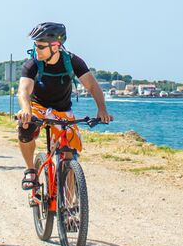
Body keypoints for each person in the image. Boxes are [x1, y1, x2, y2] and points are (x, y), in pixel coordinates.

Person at [16, 22, 112, 190]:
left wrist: (102, 109)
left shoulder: (73, 62)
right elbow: (23, 90)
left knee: (68, 154)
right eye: (35, 45)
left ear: (56, 46)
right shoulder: (32, 63)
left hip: (63, 111)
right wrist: (26, 110)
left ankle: (71, 207)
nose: (36, 49)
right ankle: (31, 170)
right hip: (38, 107)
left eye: (40, 46)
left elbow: (92, 86)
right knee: (25, 127)